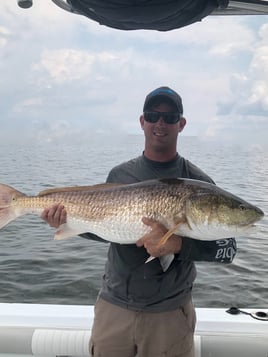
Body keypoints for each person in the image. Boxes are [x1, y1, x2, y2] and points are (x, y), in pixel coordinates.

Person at [41, 86, 237, 357]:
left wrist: (177, 245)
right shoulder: (120, 174)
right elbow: (106, 229)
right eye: (152, 115)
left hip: (169, 314)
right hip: (114, 309)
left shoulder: (199, 184)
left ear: (181, 124)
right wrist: (66, 222)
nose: (160, 123)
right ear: (142, 121)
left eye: (169, 117)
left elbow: (228, 249)